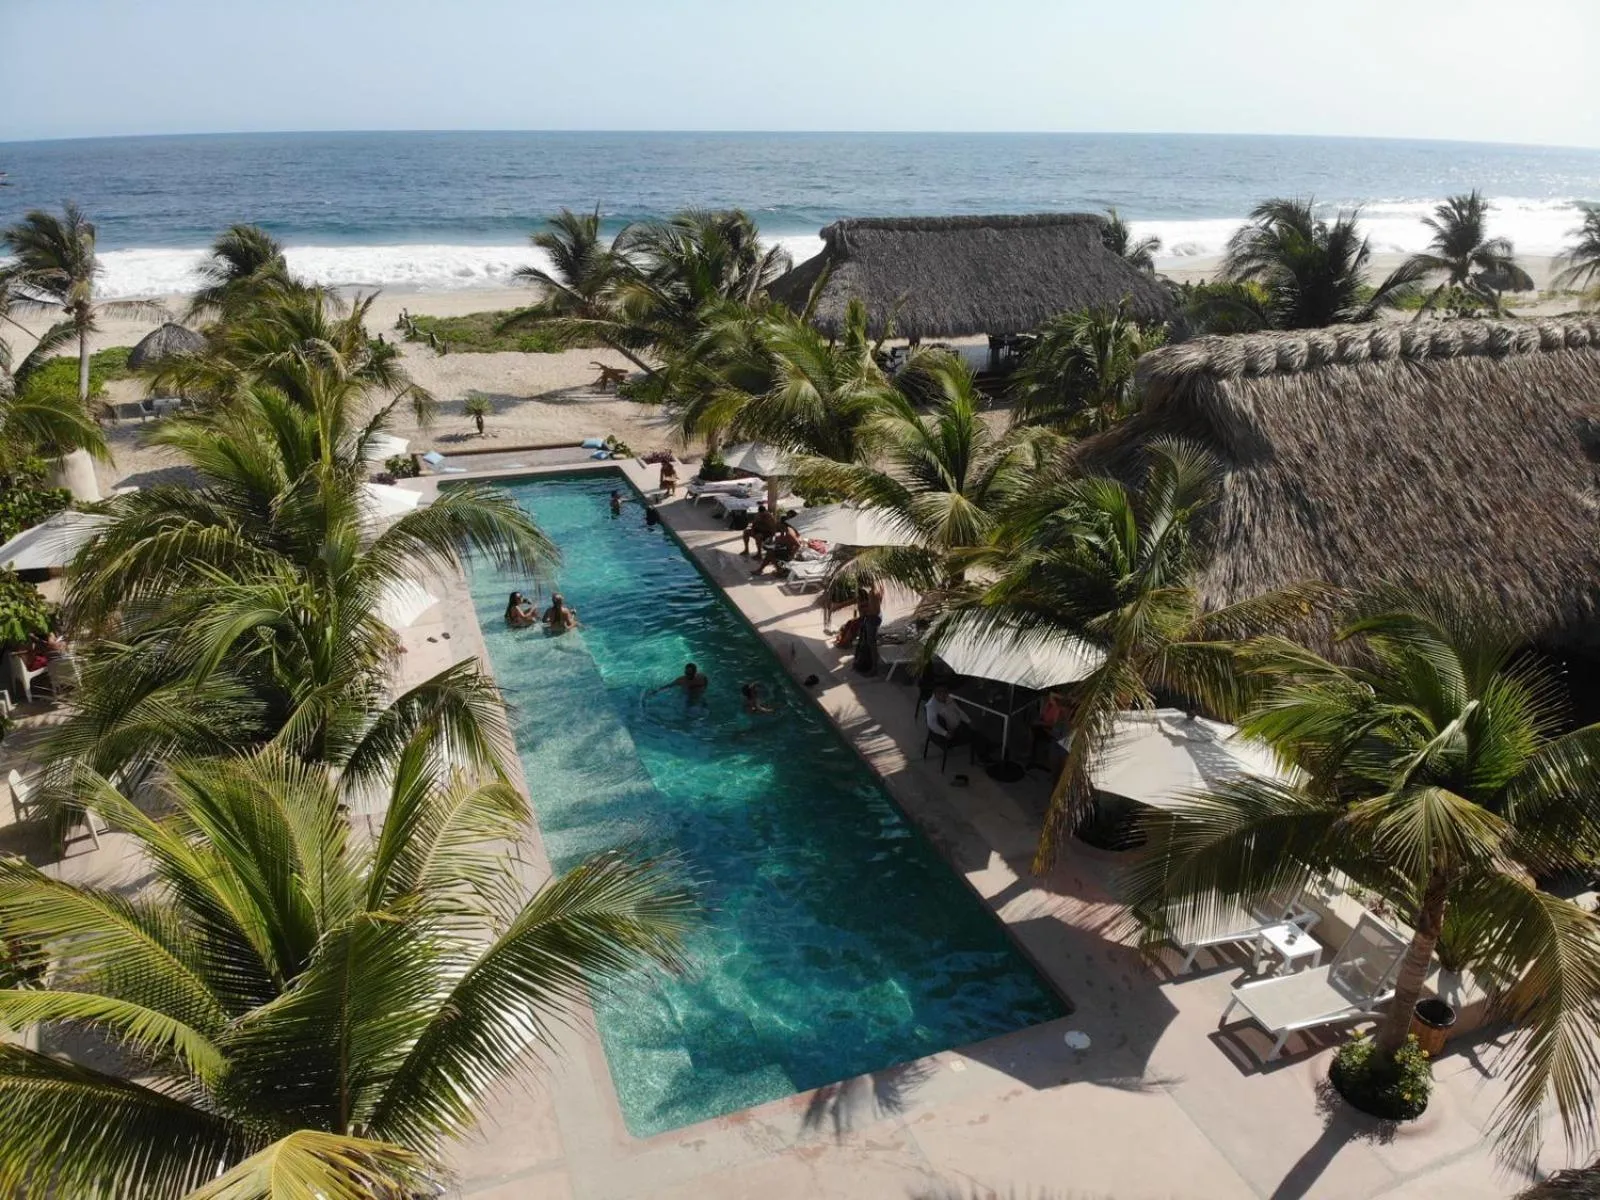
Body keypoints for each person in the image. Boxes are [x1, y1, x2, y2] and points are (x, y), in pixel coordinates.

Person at [925, 684, 997, 763]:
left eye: (945, 692)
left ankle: (988, 746)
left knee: (976, 728)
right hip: (950, 732)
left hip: (959, 725)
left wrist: (969, 721)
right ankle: (984, 757)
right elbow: (932, 724)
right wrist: (945, 733)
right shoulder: (931, 706)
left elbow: (959, 711)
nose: (944, 695)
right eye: (940, 693)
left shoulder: (948, 698)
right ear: (935, 693)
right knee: (975, 735)